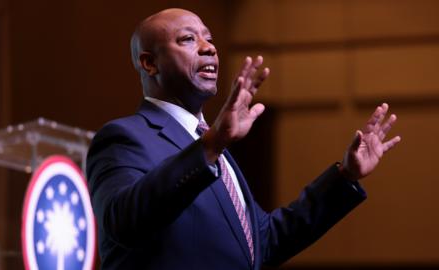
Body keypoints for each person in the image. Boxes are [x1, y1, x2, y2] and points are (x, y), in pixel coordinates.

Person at [86, 8, 401, 270]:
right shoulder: (124, 138)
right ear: (149, 63)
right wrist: (212, 144)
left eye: (209, 39)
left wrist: (344, 176)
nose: (209, 47)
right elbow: (122, 221)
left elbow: (263, 243)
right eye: (187, 39)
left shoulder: (212, 148)